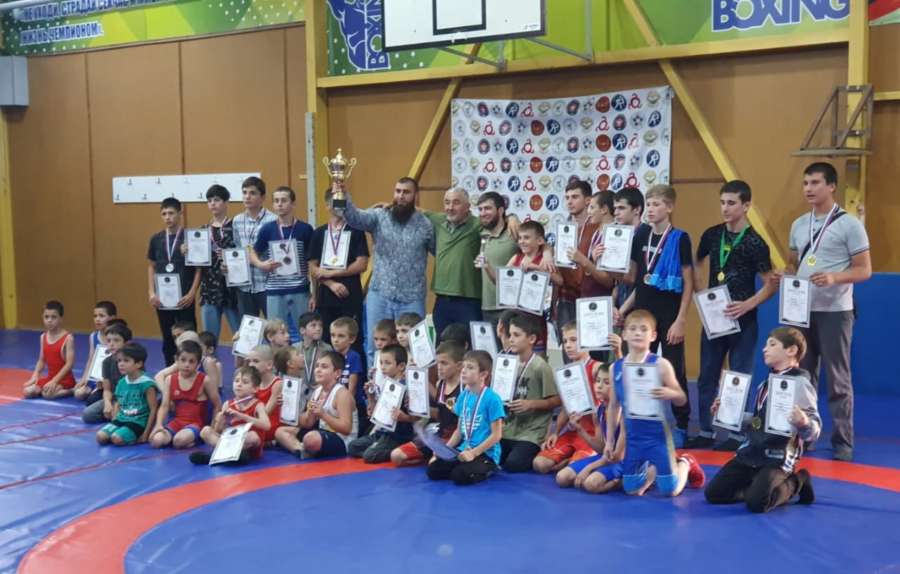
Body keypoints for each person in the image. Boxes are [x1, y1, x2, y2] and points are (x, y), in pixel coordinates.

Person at [776, 162, 871, 462]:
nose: (808, 188)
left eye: (815, 183)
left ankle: (843, 441)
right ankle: (806, 435)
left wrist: (834, 277)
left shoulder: (850, 225)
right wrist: (786, 272)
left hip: (835, 311)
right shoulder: (799, 224)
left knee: (838, 378)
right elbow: (794, 263)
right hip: (801, 310)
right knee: (803, 376)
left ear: (831, 186)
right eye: (805, 183)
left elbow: (865, 270)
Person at [688, 180, 775, 450]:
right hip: (715, 319)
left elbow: (771, 283)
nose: (725, 208)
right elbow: (696, 261)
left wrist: (748, 304)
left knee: (739, 376)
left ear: (746, 206)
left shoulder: (755, 242)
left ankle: (735, 434)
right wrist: (701, 293)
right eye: (722, 203)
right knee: (707, 375)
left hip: (743, 320)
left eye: (731, 203)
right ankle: (705, 430)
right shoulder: (712, 235)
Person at [705, 327, 819, 512]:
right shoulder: (764, 385)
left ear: (791, 350)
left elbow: (814, 432)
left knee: (758, 504)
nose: (765, 349)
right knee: (714, 494)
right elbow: (757, 422)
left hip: (777, 456)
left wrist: (804, 422)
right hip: (752, 452)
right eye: (766, 345)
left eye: (772, 344)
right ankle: (756, 485)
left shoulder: (800, 384)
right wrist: (727, 414)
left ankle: (798, 480)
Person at [620, 185, 694, 444]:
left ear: (670, 207)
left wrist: (681, 320)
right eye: (649, 204)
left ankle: (682, 424)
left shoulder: (680, 238)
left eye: (657, 204)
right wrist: (623, 309)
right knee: (637, 368)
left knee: (674, 370)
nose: (651, 209)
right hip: (643, 316)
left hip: (670, 316)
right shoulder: (641, 235)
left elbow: (688, 282)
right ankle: (638, 421)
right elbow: (636, 280)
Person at [604, 310, 705, 497]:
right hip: (633, 437)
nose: (637, 333)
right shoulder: (615, 368)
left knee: (670, 491)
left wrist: (670, 393)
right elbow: (614, 406)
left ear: (653, 336)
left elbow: (682, 398)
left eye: (644, 329)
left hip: (657, 436)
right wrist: (609, 441)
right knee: (631, 489)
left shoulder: (661, 364)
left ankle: (685, 462)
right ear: (624, 334)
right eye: (633, 329)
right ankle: (653, 470)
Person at [341, 178, 434, 364]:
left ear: (415, 195)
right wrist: (342, 196)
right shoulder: (379, 216)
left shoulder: (426, 225)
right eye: (398, 191)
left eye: (406, 192)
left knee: (415, 348)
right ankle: (374, 382)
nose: (401, 196)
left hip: (412, 298)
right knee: (374, 347)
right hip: (380, 295)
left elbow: (441, 251)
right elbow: (354, 218)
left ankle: (410, 383)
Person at [532, 322, 619, 474]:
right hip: (574, 431)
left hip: (594, 435)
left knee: (571, 472)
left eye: (573, 340)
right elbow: (566, 408)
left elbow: (620, 376)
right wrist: (555, 432)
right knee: (539, 464)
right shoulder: (566, 373)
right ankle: (568, 460)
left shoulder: (597, 367)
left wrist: (618, 352)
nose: (568, 345)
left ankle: (571, 462)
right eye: (565, 341)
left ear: (586, 342)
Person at [427, 350, 505, 485]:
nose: (463, 371)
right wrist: (445, 450)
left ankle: (490, 468)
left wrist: (474, 453)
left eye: (470, 367)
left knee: (459, 475)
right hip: (464, 449)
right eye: (463, 367)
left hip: (485, 453)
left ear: (483, 374)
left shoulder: (493, 399)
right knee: (433, 470)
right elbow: (459, 431)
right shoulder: (464, 396)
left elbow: (497, 435)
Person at [250, 186, 314, 342]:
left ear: (293, 204)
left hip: (300, 289)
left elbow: (312, 262)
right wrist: (261, 265)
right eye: (276, 201)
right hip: (275, 290)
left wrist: (314, 293)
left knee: (306, 334)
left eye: (284, 200)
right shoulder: (267, 229)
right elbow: (252, 252)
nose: (279, 204)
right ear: (273, 204)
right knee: (276, 336)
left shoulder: (305, 229)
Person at [308, 187, 370, 349]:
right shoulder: (319, 233)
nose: (341, 205)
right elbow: (313, 267)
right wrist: (330, 283)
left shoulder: (356, 231)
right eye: (337, 202)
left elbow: (362, 264)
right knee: (327, 341)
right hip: (326, 296)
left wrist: (332, 273)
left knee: (353, 340)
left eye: (344, 201)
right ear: (327, 205)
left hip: (350, 294)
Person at [500, 313, 560, 472]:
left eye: (517, 335)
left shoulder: (541, 367)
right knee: (492, 458)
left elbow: (557, 400)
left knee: (514, 464)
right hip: (508, 429)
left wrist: (531, 404)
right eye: (510, 335)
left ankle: (540, 451)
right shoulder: (507, 365)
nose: (511, 339)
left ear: (531, 339)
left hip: (531, 432)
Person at [390, 341, 463, 466]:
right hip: (438, 435)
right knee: (396, 456)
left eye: (444, 363)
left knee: (434, 466)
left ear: (459, 366)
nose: (439, 367)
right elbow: (440, 413)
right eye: (438, 363)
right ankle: (428, 456)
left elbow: (462, 423)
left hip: (456, 438)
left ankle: (435, 458)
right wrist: (419, 408)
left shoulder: (464, 388)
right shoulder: (440, 384)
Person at [556, 363, 625, 493]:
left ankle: (619, 482)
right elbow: (600, 448)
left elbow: (618, 456)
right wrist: (580, 429)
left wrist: (589, 468)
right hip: (605, 458)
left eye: (606, 382)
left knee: (591, 484)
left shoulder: (623, 414)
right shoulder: (599, 411)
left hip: (623, 461)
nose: (599, 386)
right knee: (562, 478)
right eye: (597, 381)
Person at [425, 187, 484, 340]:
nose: (450, 207)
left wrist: (512, 219)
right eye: (447, 202)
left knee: (470, 346)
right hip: (442, 299)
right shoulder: (438, 220)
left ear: (468, 206)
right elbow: (417, 211)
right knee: (442, 345)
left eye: (456, 203)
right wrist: (390, 205)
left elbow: (501, 221)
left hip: (469, 300)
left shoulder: (478, 224)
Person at [147, 197, 200, 365]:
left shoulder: (190, 238)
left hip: (184, 297)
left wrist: (192, 293)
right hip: (163, 298)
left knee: (189, 337)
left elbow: (199, 268)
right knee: (167, 337)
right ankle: (170, 373)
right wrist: (151, 292)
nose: (167, 217)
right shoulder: (156, 239)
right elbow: (151, 266)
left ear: (180, 213)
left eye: (171, 213)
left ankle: (192, 371)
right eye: (164, 214)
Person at [275, 351, 356, 458]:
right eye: (317, 366)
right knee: (280, 431)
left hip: (342, 439)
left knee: (311, 438)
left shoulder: (342, 394)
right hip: (321, 433)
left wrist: (323, 415)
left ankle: (307, 448)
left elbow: (346, 429)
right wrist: (286, 407)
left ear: (337, 373)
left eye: (324, 367)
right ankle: (300, 449)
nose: (318, 370)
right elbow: (307, 423)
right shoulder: (317, 391)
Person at [190, 366, 271, 465]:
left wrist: (242, 416)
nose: (239, 384)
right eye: (236, 381)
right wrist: (220, 421)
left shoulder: (258, 404)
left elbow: (267, 425)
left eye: (245, 382)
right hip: (233, 441)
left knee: (253, 436)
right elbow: (219, 431)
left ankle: (214, 456)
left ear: (255, 389)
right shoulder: (228, 404)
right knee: (205, 431)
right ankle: (230, 457)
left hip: (249, 446)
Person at [348, 344, 415, 463]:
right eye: (381, 363)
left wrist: (404, 417)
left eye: (387, 363)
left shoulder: (406, 387)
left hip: (397, 436)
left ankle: (393, 448)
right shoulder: (386, 385)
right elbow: (375, 415)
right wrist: (370, 396)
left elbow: (416, 417)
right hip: (382, 432)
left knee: (369, 456)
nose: (383, 367)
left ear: (401, 366)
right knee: (352, 447)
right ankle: (377, 446)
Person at [150, 341, 222, 449]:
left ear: (198, 364)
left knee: (178, 441)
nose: (186, 365)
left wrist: (212, 427)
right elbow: (164, 406)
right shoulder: (170, 379)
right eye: (183, 360)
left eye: (191, 361)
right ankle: (183, 440)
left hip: (196, 424)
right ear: (176, 360)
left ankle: (196, 439)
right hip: (176, 422)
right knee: (156, 440)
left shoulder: (204, 380)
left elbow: (217, 405)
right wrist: (159, 425)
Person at [557, 180, 603, 328]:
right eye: (567, 198)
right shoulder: (563, 228)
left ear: (588, 200)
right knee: (567, 340)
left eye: (575, 197)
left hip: (591, 295)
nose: (569, 202)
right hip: (566, 295)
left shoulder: (598, 228)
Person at [198, 184, 241, 339]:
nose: (212, 204)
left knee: (241, 336)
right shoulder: (202, 231)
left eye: (216, 200)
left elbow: (244, 253)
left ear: (226, 202)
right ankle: (211, 356)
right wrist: (187, 251)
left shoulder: (235, 226)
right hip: (209, 288)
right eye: (209, 201)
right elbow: (197, 261)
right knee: (209, 338)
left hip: (232, 288)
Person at [231, 176, 277, 318]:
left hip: (267, 283)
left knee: (274, 325)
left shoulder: (273, 220)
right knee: (249, 327)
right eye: (244, 192)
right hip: (245, 284)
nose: (247, 196)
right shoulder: (237, 220)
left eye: (252, 193)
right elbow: (238, 248)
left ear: (262, 197)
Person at [96, 342, 158, 446]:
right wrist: (114, 422)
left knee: (116, 438)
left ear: (139, 364)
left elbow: (153, 409)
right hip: (122, 419)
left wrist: (146, 434)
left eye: (126, 360)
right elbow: (117, 403)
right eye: (119, 360)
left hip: (137, 422)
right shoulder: (122, 382)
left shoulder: (147, 384)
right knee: (100, 436)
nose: (121, 364)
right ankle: (122, 433)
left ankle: (131, 435)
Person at [476, 192, 519, 329]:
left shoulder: (514, 231)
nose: (483, 213)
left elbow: (540, 245)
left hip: (511, 307)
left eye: (487, 208)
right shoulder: (481, 232)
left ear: (500, 210)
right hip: (487, 307)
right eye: (480, 209)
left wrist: (547, 254)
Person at [567, 191, 617, 299]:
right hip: (588, 296)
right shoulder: (596, 232)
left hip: (602, 299)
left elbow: (609, 281)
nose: (588, 211)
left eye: (592, 207)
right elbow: (592, 270)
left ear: (604, 209)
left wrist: (584, 261)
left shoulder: (614, 237)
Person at [23, 300, 76, 399]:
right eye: (46, 317)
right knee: (28, 392)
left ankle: (71, 390)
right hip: (50, 378)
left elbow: (70, 364)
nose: (49, 320)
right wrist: (35, 375)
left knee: (47, 394)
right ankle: (48, 388)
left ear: (61, 319)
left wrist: (54, 381)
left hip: (65, 380)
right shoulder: (43, 337)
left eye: (53, 317)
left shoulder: (68, 338)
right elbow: (41, 360)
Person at [82, 321, 131, 424]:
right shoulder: (106, 362)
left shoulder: (132, 362)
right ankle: (117, 415)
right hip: (114, 398)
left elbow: (132, 390)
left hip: (131, 398)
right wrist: (108, 403)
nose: (111, 344)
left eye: (116, 340)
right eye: (108, 341)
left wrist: (117, 405)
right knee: (87, 414)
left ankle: (121, 415)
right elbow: (107, 389)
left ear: (126, 343)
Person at [611, 187, 645, 325]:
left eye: (621, 208)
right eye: (615, 208)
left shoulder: (645, 235)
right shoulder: (618, 236)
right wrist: (613, 305)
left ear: (637, 210)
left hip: (638, 311)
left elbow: (639, 282)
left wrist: (622, 310)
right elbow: (617, 282)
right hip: (620, 308)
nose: (616, 213)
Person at [75, 300, 117, 400]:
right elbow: (91, 359)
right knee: (78, 394)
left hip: (111, 377)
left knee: (98, 397)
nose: (97, 319)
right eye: (95, 316)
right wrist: (84, 378)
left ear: (112, 318)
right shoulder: (93, 336)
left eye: (101, 316)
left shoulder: (117, 337)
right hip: (96, 376)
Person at [330, 316, 366, 433]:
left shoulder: (354, 357)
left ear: (352, 339)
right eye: (333, 335)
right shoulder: (330, 356)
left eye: (341, 336)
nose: (335, 340)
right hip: (334, 403)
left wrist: (345, 405)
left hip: (353, 404)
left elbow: (352, 388)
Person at [247, 345, 282, 443]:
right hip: (257, 422)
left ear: (269, 365)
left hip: (269, 425)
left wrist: (244, 417)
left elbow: (265, 413)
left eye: (255, 361)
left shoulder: (277, 384)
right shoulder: (254, 384)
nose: (251, 365)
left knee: (245, 433)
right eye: (249, 361)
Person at [295, 312, 333, 383]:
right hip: (299, 386)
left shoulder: (327, 348)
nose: (318, 328)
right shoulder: (295, 348)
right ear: (302, 330)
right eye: (313, 325)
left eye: (320, 325)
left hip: (320, 387)